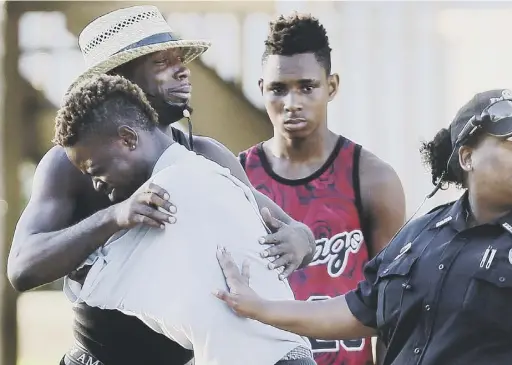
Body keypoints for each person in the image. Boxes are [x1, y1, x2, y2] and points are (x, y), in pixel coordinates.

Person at [218, 89, 512, 365]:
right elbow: (358, 310)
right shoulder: (421, 237)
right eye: (510, 141)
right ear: (466, 157)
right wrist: (259, 307)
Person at [7, 6, 316, 365]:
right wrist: (116, 216)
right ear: (118, 82)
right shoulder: (75, 164)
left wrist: (300, 239)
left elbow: (290, 231)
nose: (182, 69)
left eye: (180, 59)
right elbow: (23, 267)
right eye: (161, 63)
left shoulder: (205, 157)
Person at [54, 73, 316, 365]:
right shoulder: (208, 173)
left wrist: (93, 268)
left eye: (96, 170)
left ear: (128, 138)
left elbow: (88, 280)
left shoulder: (167, 193)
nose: (97, 185)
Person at [238, 13, 406, 365]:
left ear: (331, 86)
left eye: (306, 87)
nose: (291, 102)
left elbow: (392, 308)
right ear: (261, 89)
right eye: (278, 89)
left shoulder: (372, 179)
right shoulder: (238, 178)